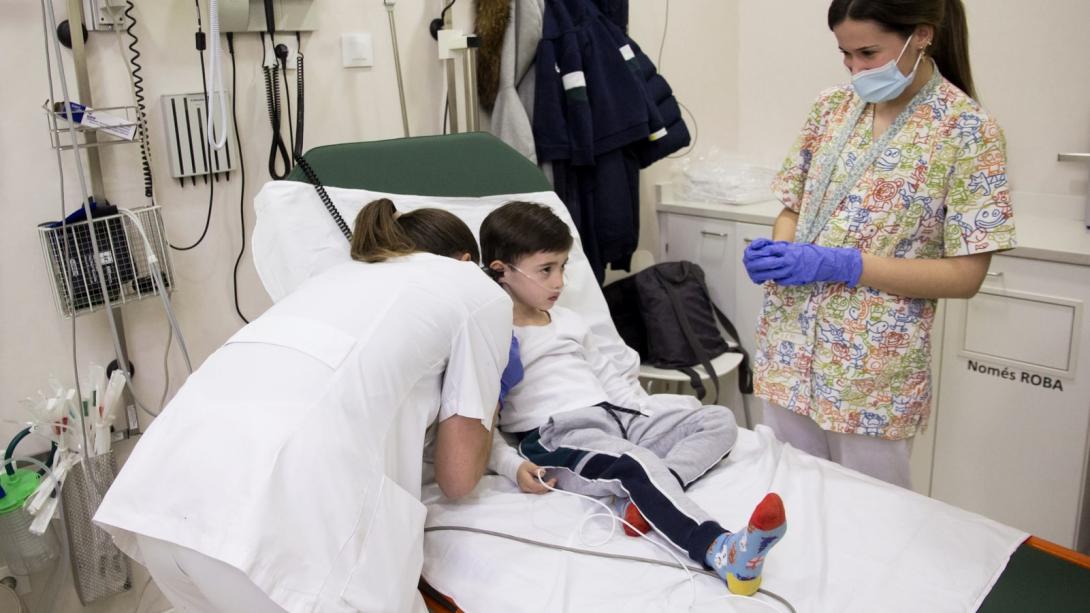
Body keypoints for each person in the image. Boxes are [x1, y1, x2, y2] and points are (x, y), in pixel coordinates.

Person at [94, 199, 513, 613]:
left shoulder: (336, 277)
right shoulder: (477, 289)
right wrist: (491, 383)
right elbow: (458, 478)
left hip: (163, 505)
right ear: (466, 259)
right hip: (273, 533)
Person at [744, 0, 1015, 489]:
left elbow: (965, 276)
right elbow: (792, 206)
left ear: (922, 36)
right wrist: (780, 253)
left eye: (868, 53)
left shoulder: (968, 130)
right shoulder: (831, 107)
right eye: (846, 55)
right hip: (788, 348)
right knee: (785, 499)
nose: (855, 69)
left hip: (871, 373)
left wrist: (846, 264)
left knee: (869, 522)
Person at [482, 201, 786, 596]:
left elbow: (610, 375)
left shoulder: (569, 321)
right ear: (501, 271)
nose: (559, 282)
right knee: (636, 463)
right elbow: (479, 414)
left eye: (562, 267)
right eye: (546, 270)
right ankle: (720, 549)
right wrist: (509, 464)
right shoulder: (496, 334)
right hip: (558, 436)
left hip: (616, 417)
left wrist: (646, 413)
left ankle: (646, 499)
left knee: (716, 419)